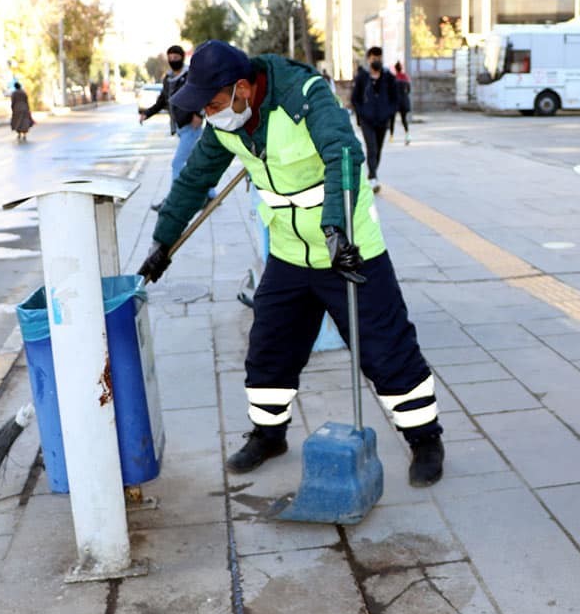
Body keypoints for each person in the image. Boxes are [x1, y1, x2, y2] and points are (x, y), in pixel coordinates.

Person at [136, 40, 446, 487]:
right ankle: (269, 435)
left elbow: (343, 153)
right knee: (270, 348)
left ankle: (425, 440)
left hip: (347, 247)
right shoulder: (227, 124)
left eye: (214, 103)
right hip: (288, 253)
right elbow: (194, 179)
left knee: (386, 349)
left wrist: (337, 229)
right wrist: (162, 241)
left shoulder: (304, 96)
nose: (208, 113)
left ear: (242, 88)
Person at [140, 45, 215, 211]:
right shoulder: (168, 79)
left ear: (182, 58)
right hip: (180, 127)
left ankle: (173, 201)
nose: (173, 60)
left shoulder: (190, 75)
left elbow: (202, 94)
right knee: (196, 162)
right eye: (171, 58)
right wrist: (147, 113)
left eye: (176, 57)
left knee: (177, 163)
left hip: (191, 125)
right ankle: (211, 195)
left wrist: (199, 114)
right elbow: (162, 101)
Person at [350, 47, 398, 192]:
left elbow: (395, 99)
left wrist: (388, 112)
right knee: (371, 148)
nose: (376, 60)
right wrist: (362, 112)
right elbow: (355, 98)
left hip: (383, 120)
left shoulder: (388, 77)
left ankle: (372, 174)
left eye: (379, 57)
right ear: (368, 59)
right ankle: (372, 177)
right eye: (373, 58)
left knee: (378, 150)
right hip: (367, 120)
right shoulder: (362, 78)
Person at [389, 61, 411, 146]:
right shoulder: (405, 77)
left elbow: (390, 91)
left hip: (395, 102)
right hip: (404, 101)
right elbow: (409, 90)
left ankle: (391, 137)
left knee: (392, 119)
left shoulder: (394, 78)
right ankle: (407, 135)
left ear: (395, 69)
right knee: (404, 120)